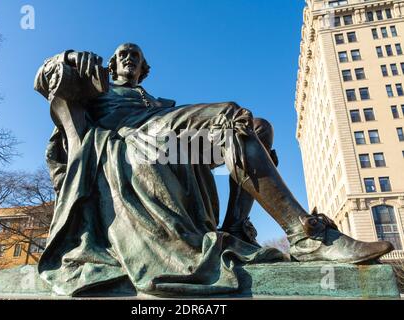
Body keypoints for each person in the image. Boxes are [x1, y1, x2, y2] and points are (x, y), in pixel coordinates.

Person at [34, 43, 393, 297]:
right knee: (231, 114)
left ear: (144, 69)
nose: (128, 58)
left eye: (135, 56)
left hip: (171, 145)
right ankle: (307, 236)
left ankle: (236, 225)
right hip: (133, 141)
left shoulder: (161, 103)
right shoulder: (97, 93)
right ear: (111, 66)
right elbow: (44, 79)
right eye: (122, 54)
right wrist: (65, 57)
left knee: (260, 128)